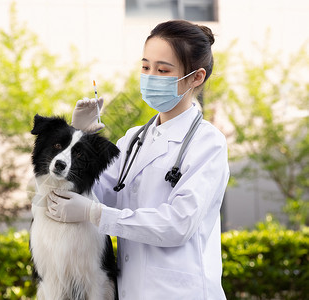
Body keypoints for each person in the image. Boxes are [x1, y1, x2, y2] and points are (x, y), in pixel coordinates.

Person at [46, 20, 230, 299]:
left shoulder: (208, 143)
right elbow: (92, 190)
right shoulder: (134, 139)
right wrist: (78, 139)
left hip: (181, 292)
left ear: (196, 77)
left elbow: (177, 225)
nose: (151, 76)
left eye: (163, 70)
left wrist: (96, 214)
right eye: (146, 67)